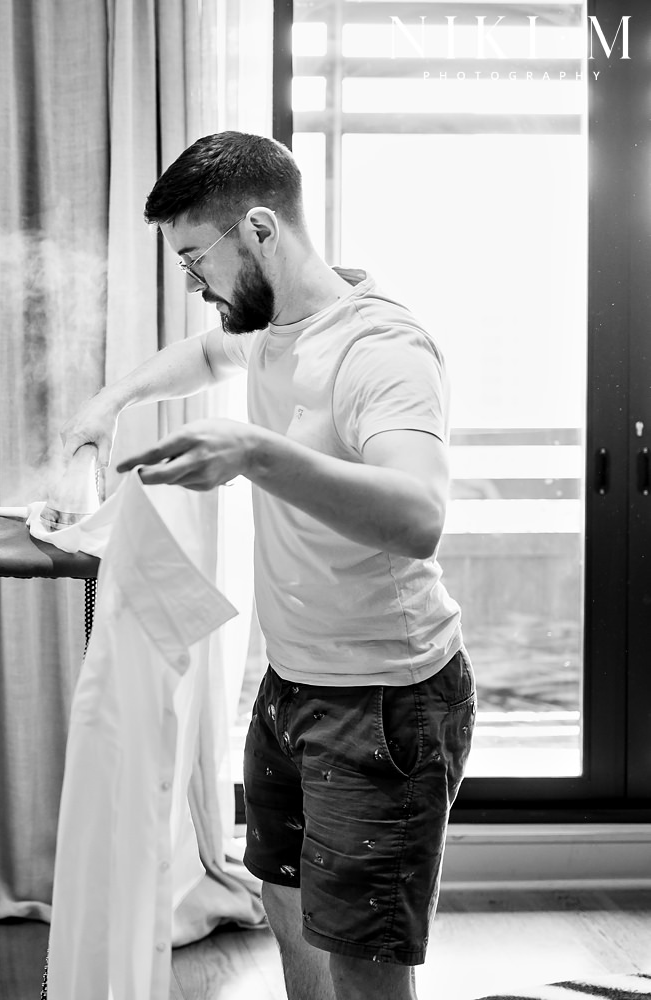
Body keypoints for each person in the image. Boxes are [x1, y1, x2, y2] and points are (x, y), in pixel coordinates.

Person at [61, 131, 473, 1000]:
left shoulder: (381, 350)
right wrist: (110, 402)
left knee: (363, 977)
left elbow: (419, 517)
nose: (193, 284)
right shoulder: (267, 330)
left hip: (385, 706)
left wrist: (252, 450)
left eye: (193, 259)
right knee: (294, 941)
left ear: (257, 228)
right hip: (291, 690)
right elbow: (207, 355)